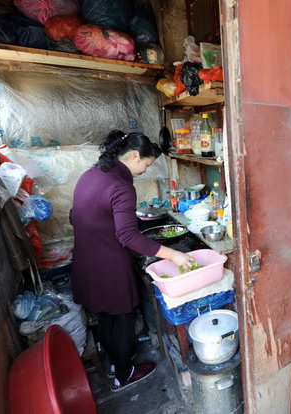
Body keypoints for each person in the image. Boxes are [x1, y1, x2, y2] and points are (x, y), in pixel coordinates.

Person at [70, 130, 193, 392]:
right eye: (146, 165)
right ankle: (124, 375)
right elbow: (127, 236)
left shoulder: (90, 175)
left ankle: (116, 363)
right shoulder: (121, 186)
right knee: (124, 315)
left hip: (85, 260)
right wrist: (173, 254)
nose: (144, 171)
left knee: (105, 315)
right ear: (134, 155)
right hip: (110, 264)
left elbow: (77, 216)